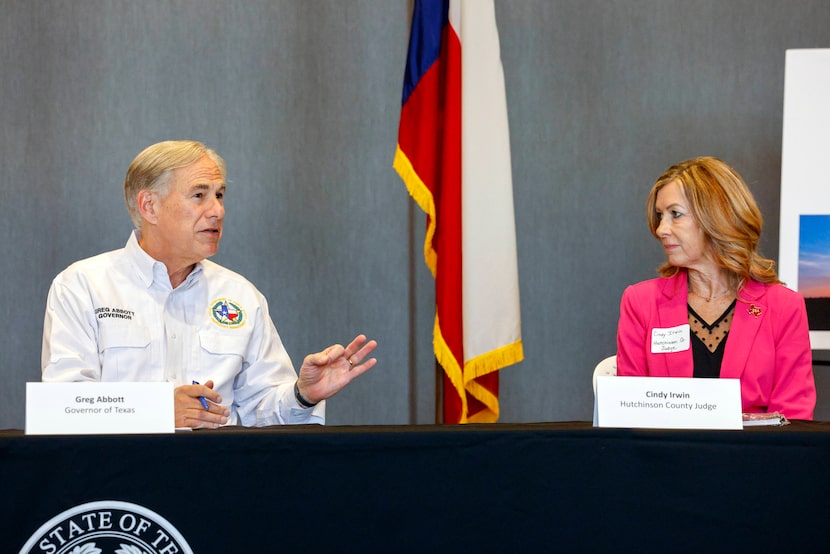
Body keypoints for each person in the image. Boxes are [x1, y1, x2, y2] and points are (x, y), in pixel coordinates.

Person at [42, 140, 377, 428]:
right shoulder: (82, 285)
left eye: (219, 195)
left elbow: (263, 414)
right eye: (199, 195)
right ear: (149, 206)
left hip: (217, 481)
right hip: (118, 487)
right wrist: (155, 411)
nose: (217, 210)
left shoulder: (240, 295)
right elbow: (61, 407)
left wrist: (303, 396)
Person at [616, 156, 815, 419]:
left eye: (675, 214)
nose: (661, 229)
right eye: (659, 216)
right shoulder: (641, 302)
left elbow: (795, 417)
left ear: (717, 216)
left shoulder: (783, 307)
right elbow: (626, 411)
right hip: (665, 456)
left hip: (754, 457)